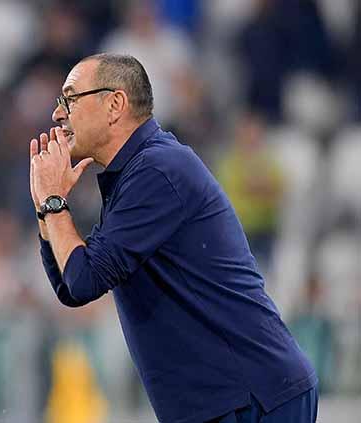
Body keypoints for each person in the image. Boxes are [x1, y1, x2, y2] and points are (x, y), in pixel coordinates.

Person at [30, 53, 318, 423]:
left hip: (249, 398)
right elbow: (71, 288)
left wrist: (55, 202)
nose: (57, 114)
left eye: (70, 98)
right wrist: (46, 207)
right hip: (227, 400)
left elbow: (86, 280)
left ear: (115, 104)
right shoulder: (137, 174)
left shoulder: (158, 170)